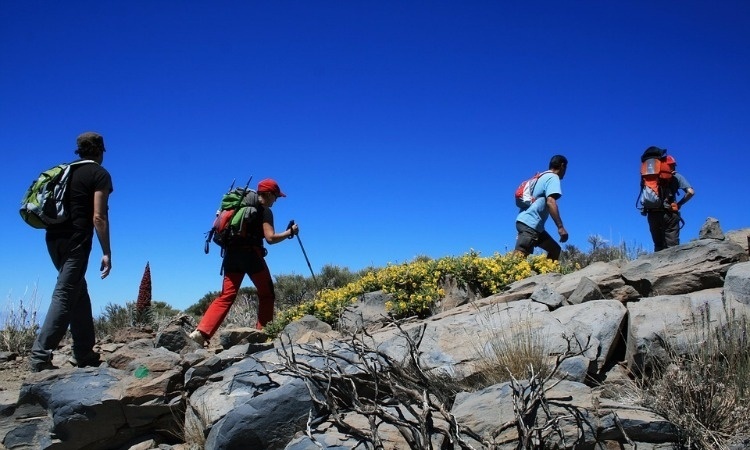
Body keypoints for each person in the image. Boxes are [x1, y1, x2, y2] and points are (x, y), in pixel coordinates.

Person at [29, 132, 113, 372]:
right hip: (77, 240)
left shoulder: (65, 170)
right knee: (65, 293)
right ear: (100, 150)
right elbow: (99, 216)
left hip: (53, 238)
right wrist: (106, 252)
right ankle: (39, 357)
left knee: (78, 291)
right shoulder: (99, 174)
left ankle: (84, 352)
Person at [189, 178, 299, 346]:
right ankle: (264, 333)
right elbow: (270, 238)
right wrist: (289, 232)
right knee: (267, 294)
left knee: (226, 296)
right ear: (268, 194)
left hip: (231, 255)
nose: (276, 201)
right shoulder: (264, 211)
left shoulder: (235, 207)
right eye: (276, 197)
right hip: (252, 256)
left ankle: (201, 333)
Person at [514, 155, 569, 261]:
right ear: (562, 166)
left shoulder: (541, 176)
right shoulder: (553, 177)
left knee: (554, 249)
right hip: (530, 224)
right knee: (519, 256)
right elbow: (551, 202)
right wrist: (560, 227)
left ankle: (547, 275)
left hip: (530, 224)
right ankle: (506, 276)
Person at [645, 154, 694, 251]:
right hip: (670, 213)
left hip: (652, 214)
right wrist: (679, 204)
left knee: (658, 245)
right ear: (672, 165)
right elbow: (691, 192)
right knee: (672, 247)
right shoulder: (676, 176)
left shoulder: (650, 177)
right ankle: (673, 265)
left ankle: (659, 265)